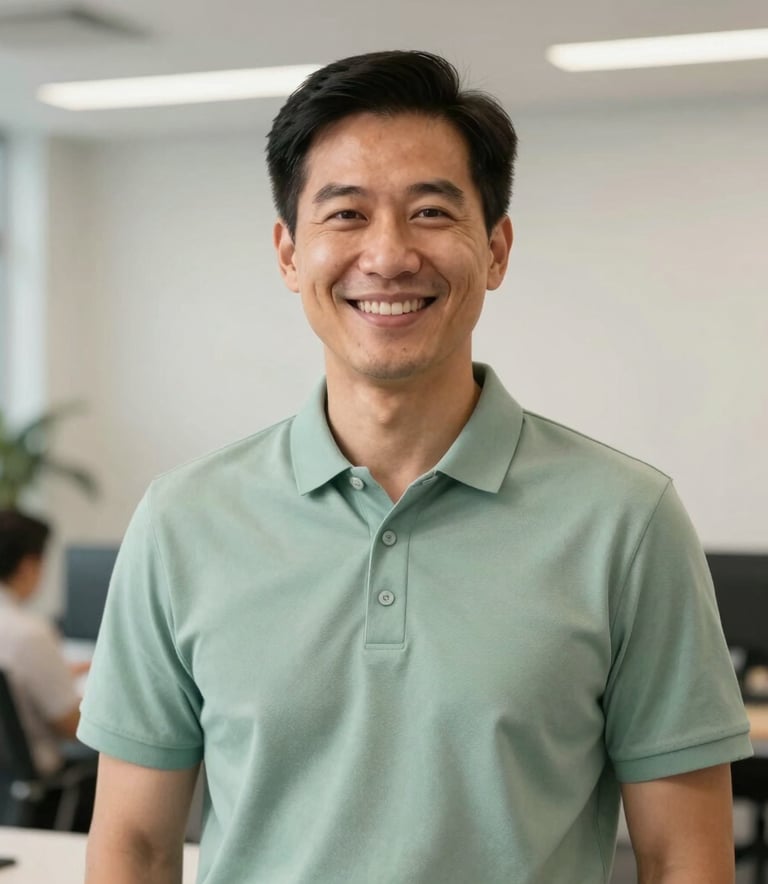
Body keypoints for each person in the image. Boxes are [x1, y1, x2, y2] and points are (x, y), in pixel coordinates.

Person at [79, 50, 751, 882]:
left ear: (496, 249)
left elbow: (684, 856)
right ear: (290, 253)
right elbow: (136, 847)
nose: (390, 255)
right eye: (347, 214)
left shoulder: (627, 521)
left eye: (431, 212)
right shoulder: (183, 520)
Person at [0, 509, 93, 827]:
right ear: (29, 565)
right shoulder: (28, 634)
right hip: (40, 791)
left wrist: (62, 673)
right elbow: (72, 726)